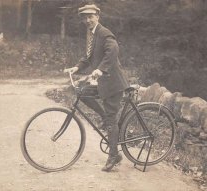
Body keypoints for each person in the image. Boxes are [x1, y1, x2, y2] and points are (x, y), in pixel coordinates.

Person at [64, 4, 129, 172]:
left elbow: (113, 51)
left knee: (112, 118)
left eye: (90, 16)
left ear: (98, 16)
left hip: (112, 83)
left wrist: (100, 69)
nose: (87, 20)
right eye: (84, 17)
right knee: (81, 92)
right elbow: (87, 57)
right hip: (102, 82)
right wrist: (76, 68)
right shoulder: (91, 34)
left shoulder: (104, 33)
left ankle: (114, 155)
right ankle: (104, 118)